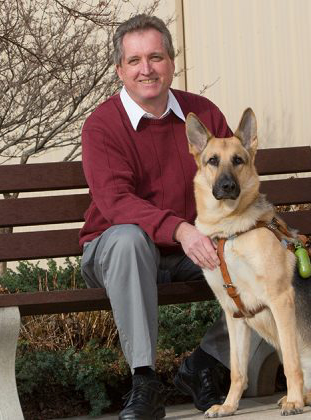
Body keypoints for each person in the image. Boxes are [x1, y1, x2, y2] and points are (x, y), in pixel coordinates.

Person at [80, 14, 232, 419]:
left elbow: (232, 179)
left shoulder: (203, 115)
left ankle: (206, 363)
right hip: (115, 251)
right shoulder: (102, 125)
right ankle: (145, 381)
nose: (146, 69)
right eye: (134, 61)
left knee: (272, 267)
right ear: (120, 70)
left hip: (189, 248)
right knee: (130, 237)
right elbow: (115, 202)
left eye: (155, 57)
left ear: (172, 62)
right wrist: (180, 229)